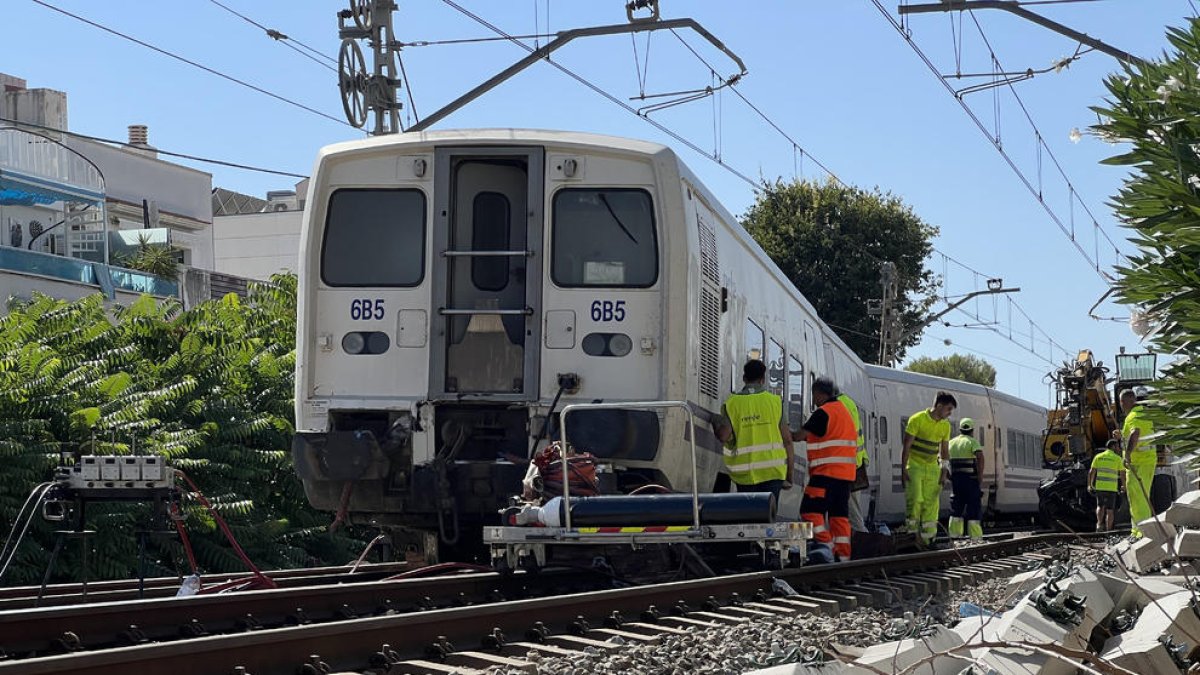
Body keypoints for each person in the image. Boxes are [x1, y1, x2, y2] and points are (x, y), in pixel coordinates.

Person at [714, 359, 795, 502]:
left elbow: (723, 436)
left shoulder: (732, 403)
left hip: (745, 472)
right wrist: (789, 475)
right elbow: (787, 440)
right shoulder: (775, 402)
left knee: (749, 517)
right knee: (767, 517)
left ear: (744, 378)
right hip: (773, 470)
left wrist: (715, 423)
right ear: (763, 379)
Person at [800, 377, 859, 561]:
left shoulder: (824, 412)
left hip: (825, 473)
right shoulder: (844, 412)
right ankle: (843, 557)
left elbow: (800, 435)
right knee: (838, 517)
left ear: (819, 393)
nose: (814, 399)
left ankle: (827, 545)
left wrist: (784, 431)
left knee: (809, 511)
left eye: (814, 394)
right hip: (845, 476)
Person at [902, 391, 956, 548]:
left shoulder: (945, 426)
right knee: (915, 501)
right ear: (939, 406)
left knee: (931, 505)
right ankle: (912, 538)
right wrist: (903, 468)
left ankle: (928, 540)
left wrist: (944, 472)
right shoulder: (917, 419)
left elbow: (944, 451)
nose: (950, 413)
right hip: (915, 465)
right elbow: (906, 446)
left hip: (933, 467)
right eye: (948, 409)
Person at [1120, 389, 1156, 538]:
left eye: (1121, 402)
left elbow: (1135, 433)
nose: (1121, 406)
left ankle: (1141, 533)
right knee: (1142, 497)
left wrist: (1127, 454)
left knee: (1137, 498)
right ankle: (1140, 530)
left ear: (1125, 401)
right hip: (1147, 460)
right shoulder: (1144, 414)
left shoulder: (1133, 416)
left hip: (1138, 462)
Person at [835, 389, 869, 533]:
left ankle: (864, 541)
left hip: (846, 467)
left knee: (852, 512)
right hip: (855, 464)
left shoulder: (839, 405)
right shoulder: (848, 402)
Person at [947, 418, 984, 541]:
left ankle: (954, 535)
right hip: (971, 481)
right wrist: (980, 475)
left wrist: (948, 475)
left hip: (956, 481)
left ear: (960, 429)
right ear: (972, 430)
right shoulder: (973, 442)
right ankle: (975, 537)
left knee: (956, 508)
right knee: (973, 508)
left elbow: (941, 458)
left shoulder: (951, 443)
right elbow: (980, 457)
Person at [1089, 439, 1125, 532]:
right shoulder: (1117, 458)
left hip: (1100, 487)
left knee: (1100, 506)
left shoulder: (1098, 457)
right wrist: (1124, 485)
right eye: (1117, 446)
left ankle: (1099, 524)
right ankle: (1109, 531)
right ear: (1113, 447)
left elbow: (1091, 472)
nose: (1118, 448)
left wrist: (1090, 484)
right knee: (1110, 510)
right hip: (1111, 488)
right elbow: (1122, 474)